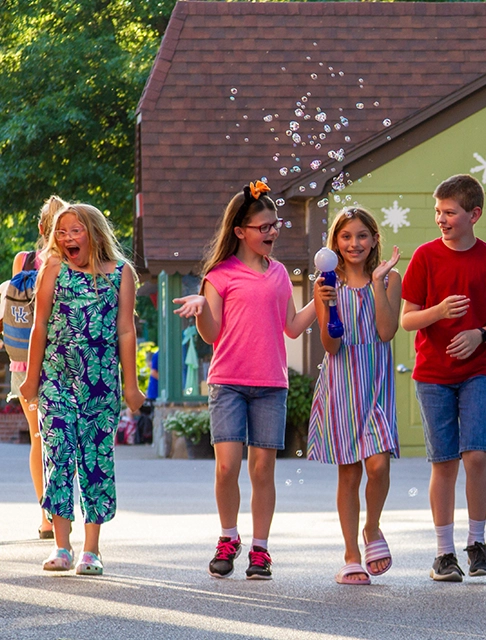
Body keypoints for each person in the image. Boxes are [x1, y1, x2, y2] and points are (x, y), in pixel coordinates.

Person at [173, 180, 316, 580]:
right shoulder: (220, 275)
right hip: (229, 383)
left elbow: (291, 327)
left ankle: (261, 549)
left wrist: (319, 304)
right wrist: (202, 307)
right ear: (240, 231)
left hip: (271, 383)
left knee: (262, 470)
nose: (272, 232)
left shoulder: (280, 274)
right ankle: (228, 537)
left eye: (275, 225)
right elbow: (211, 333)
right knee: (226, 467)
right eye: (263, 227)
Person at [19, 203, 145, 575]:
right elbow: (39, 325)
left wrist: (131, 385)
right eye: (61, 232)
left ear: (93, 233)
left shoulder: (122, 274)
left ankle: (92, 550)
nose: (67, 238)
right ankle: (62, 545)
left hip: (101, 384)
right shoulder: (53, 270)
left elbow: (126, 330)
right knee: (57, 457)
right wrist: (31, 377)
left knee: (96, 463)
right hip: (57, 380)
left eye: (75, 230)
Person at [400, 174, 486, 582]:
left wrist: (479, 334)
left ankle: (476, 543)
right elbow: (408, 319)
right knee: (443, 462)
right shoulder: (426, 258)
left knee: (477, 454)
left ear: (474, 214)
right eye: (438, 212)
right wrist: (439, 312)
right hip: (432, 374)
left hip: (478, 370)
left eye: (449, 212)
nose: (441, 220)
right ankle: (443, 553)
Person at [307, 207, 402, 586]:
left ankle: (372, 528)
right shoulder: (326, 284)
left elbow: (386, 331)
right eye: (346, 237)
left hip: (375, 381)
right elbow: (330, 346)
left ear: (375, 239)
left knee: (378, 464)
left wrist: (378, 282)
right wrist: (326, 303)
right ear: (335, 243)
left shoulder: (390, 278)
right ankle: (350, 553)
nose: (354, 243)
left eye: (362, 235)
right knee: (349, 472)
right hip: (342, 383)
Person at [7, 195, 67, 540]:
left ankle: (48, 515)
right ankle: (52, 513)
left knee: (40, 437)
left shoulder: (24, 260)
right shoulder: (73, 261)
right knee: (51, 437)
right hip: (52, 360)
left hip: (26, 360)